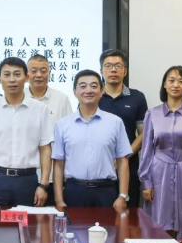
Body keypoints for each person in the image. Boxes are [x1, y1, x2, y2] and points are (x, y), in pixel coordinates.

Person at [138, 66, 182, 239]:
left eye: (181, 81)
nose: (176, 85)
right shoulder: (153, 114)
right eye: (172, 80)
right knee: (160, 223)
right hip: (159, 174)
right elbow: (147, 150)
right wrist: (146, 182)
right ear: (165, 85)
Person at [0, 57, 53, 207]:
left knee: (28, 222)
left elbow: (45, 148)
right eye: (7, 75)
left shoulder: (40, 109)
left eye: (17, 74)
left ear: (26, 78)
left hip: (27, 180)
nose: (12, 79)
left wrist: (43, 184)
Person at [53, 70, 132, 209]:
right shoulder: (62, 124)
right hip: (74, 190)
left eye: (94, 86)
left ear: (101, 91)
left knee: (108, 225)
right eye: (83, 86)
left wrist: (122, 196)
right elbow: (58, 164)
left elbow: (123, 161)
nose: (88, 90)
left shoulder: (115, 122)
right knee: (73, 225)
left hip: (106, 191)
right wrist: (59, 200)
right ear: (74, 92)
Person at [98, 49, 148, 207]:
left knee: (127, 215)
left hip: (129, 166)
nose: (113, 69)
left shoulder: (137, 97)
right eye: (108, 65)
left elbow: (144, 134)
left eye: (118, 66)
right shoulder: (93, 96)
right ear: (101, 71)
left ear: (125, 71)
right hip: (99, 168)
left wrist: (123, 156)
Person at [27, 54, 72, 205]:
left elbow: (69, 136)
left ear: (49, 73)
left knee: (50, 218)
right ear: (27, 74)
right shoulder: (19, 97)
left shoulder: (61, 99)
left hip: (54, 176)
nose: (39, 75)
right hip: (25, 175)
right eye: (34, 71)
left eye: (43, 71)